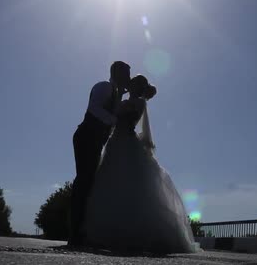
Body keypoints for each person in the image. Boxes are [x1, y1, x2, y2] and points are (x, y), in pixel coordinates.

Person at [82, 75, 200, 254]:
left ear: (138, 87)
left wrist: (118, 100)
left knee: (131, 185)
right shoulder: (125, 99)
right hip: (115, 143)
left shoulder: (139, 103)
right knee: (111, 184)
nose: (130, 85)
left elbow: (120, 117)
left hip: (126, 142)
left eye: (134, 83)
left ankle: (131, 234)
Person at [69, 61, 131, 247]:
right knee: (83, 181)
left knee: (89, 182)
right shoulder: (104, 87)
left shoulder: (118, 94)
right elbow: (94, 108)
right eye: (126, 74)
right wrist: (115, 121)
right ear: (117, 73)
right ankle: (74, 232)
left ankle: (80, 230)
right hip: (86, 136)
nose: (128, 77)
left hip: (97, 141)